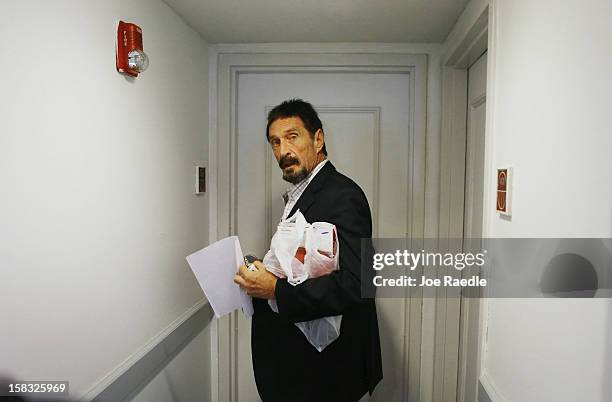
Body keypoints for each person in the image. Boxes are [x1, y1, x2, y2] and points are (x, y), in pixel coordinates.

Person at [234, 99, 382, 402]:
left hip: (329, 373)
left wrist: (275, 288)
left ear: (318, 138)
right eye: (275, 142)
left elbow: (359, 284)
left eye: (292, 137)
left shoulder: (343, 195)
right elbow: (306, 262)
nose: (283, 151)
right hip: (305, 368)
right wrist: (266, 269)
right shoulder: (302, 192)